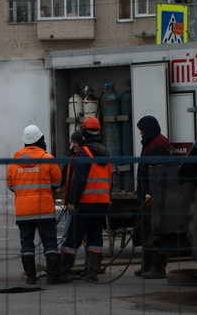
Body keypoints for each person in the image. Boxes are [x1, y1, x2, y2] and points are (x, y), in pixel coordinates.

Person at [59, 116, 113, 283]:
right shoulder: (105, 152)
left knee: (73, 238)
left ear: (83, 131)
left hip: (85, 202)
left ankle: (64, 272)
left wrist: (72, 201)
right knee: (95, 237)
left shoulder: (85, 152)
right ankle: (92, 272)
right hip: (101, 202)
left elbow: (79, 180)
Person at [7, 125, 63, 285]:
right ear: (40, 140)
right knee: (50, 243)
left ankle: (31, 276)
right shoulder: (47, 158)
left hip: (23, 211)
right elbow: (57, 181)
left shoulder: (14, 161)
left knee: (26, 243)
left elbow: (11, 186)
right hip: (44, 209)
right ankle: (53, 276)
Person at [134, 115, 175, 279]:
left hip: (156, 198)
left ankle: (157, 267)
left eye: (141, 130)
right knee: (146, 230)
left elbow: (158, 175)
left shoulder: (156, 145)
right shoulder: (156, 142)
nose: (140, 133)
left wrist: (152, 195)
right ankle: (147, 265)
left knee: (154, 231)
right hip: (154, 196)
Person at [60, 129, 90, 275]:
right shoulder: (72, 155)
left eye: (75, 142)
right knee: (69, 234)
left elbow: (79, 181)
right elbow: (65, 172)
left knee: (83, 235)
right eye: (72, 142)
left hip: (82, 201)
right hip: (75, 201)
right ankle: (64, 266)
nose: (73, 145)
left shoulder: (83, 156)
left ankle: (68, 267)